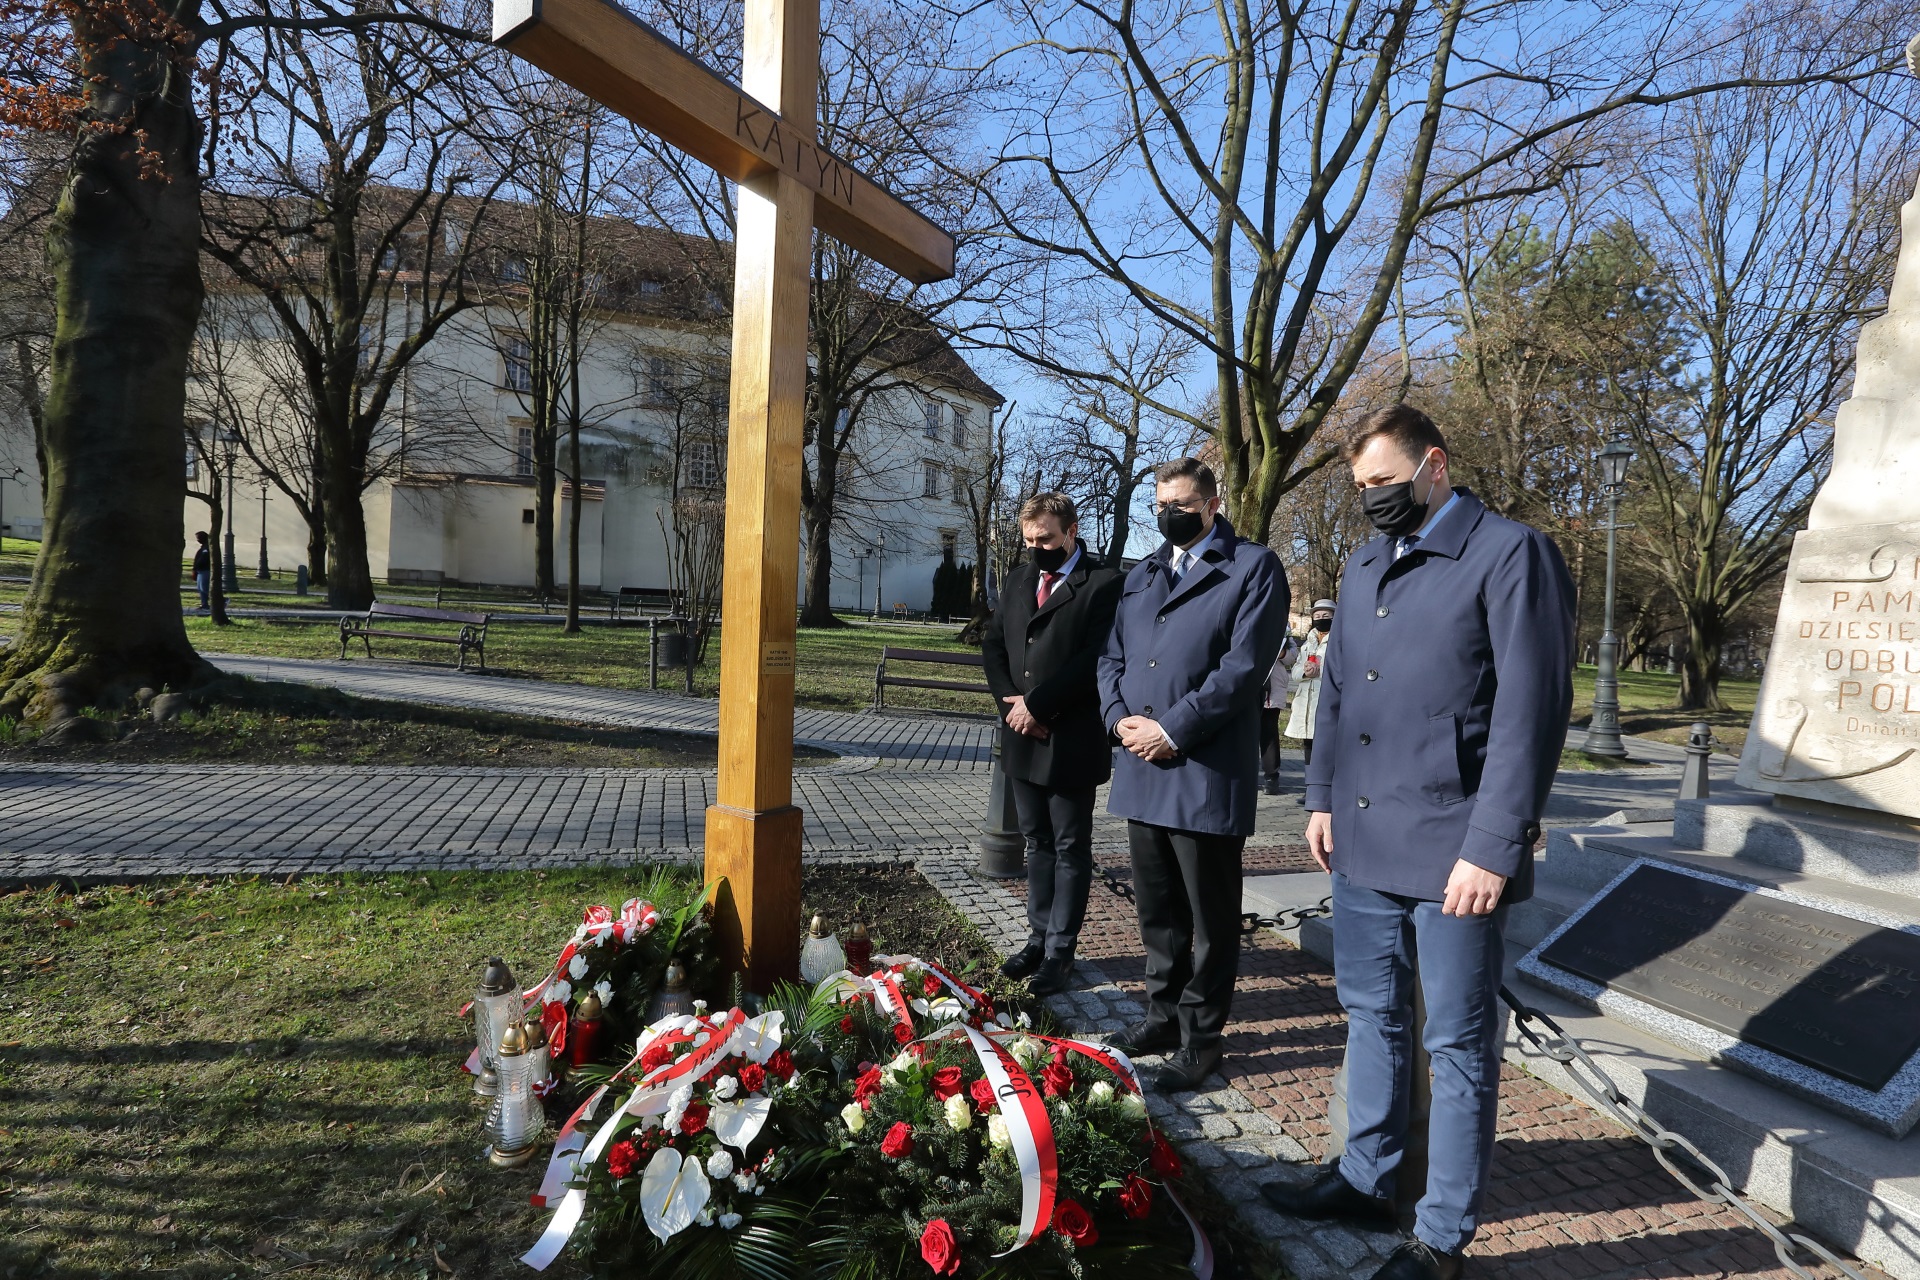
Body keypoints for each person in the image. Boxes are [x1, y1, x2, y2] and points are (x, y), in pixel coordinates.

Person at [1259, 406, 1573, 1280]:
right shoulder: (1364, 566)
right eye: (1360, 489)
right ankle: (1365, 1179)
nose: (1371, 501)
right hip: (1360, 840)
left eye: (1383, 484)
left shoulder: (1510, 554)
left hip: (1454, 851)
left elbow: (1529, 714)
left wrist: (1495, 844)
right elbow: (1340, 700)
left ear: (1433, 467)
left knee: (1460, 1048)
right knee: (1371, 1017)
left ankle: (1440, 1238)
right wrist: (1319, 799)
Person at [1096, 457, 1289, 1092]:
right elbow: (1112, 655)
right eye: (1158, 504)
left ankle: (1201, 1040)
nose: (1166, 515)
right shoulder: (1144, 572)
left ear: (1211, 504)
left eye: (1178, 503)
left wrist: (1170, 729)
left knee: (1209, 920)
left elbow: (1242, 669)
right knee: (1157, 912)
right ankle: (1160, 1017)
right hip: (1140, 766)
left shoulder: (1252, 567)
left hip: (1200, 769)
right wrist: (1118, 717)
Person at [982, 492, 1125, 997]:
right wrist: (1013, 708)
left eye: (1045, 538)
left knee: (1069, 847)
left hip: (1069, 737)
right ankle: (1037, 936)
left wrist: (1038, 706)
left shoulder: (1104, 583)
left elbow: (1094, 660)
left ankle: (1061, 951)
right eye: (1028, 539)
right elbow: (994, 644)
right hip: (1022, 734)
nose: (1036, 547)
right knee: (1036, 842)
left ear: (1070, 531)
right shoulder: (1021, 580)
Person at [1286, 599, 1337, 766]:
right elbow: (1295, 673)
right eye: (1317, 615)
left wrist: (1319, 671)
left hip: (1325, 700)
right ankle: (1311, 787)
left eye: (1326, 615)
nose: (1321, 618)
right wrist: (1305, 672)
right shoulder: (1309, 642)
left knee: (1326, 746)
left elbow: (1343, 670)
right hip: (1305, 702)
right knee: (1308, 744)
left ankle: (1324, 788)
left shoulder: (1339, 641)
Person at [1260, 630, 1302, 795]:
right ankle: (1243, 775)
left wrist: (1283, 653)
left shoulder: (1283, 625)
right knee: (1244, 734)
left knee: (1268, 733)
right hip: (1250, 684)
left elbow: (1293, 655)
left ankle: (1271, 777)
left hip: (1273, 688)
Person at [192, 532, 211, 612]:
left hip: (205, 570)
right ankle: (204, 604)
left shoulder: (207, 548)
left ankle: (222, 600)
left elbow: (203, 560)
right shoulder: (203, 548)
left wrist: (196, 567)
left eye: (199, 538)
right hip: (200, 571)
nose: (198, 540)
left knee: (204, 588)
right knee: (200, 589)